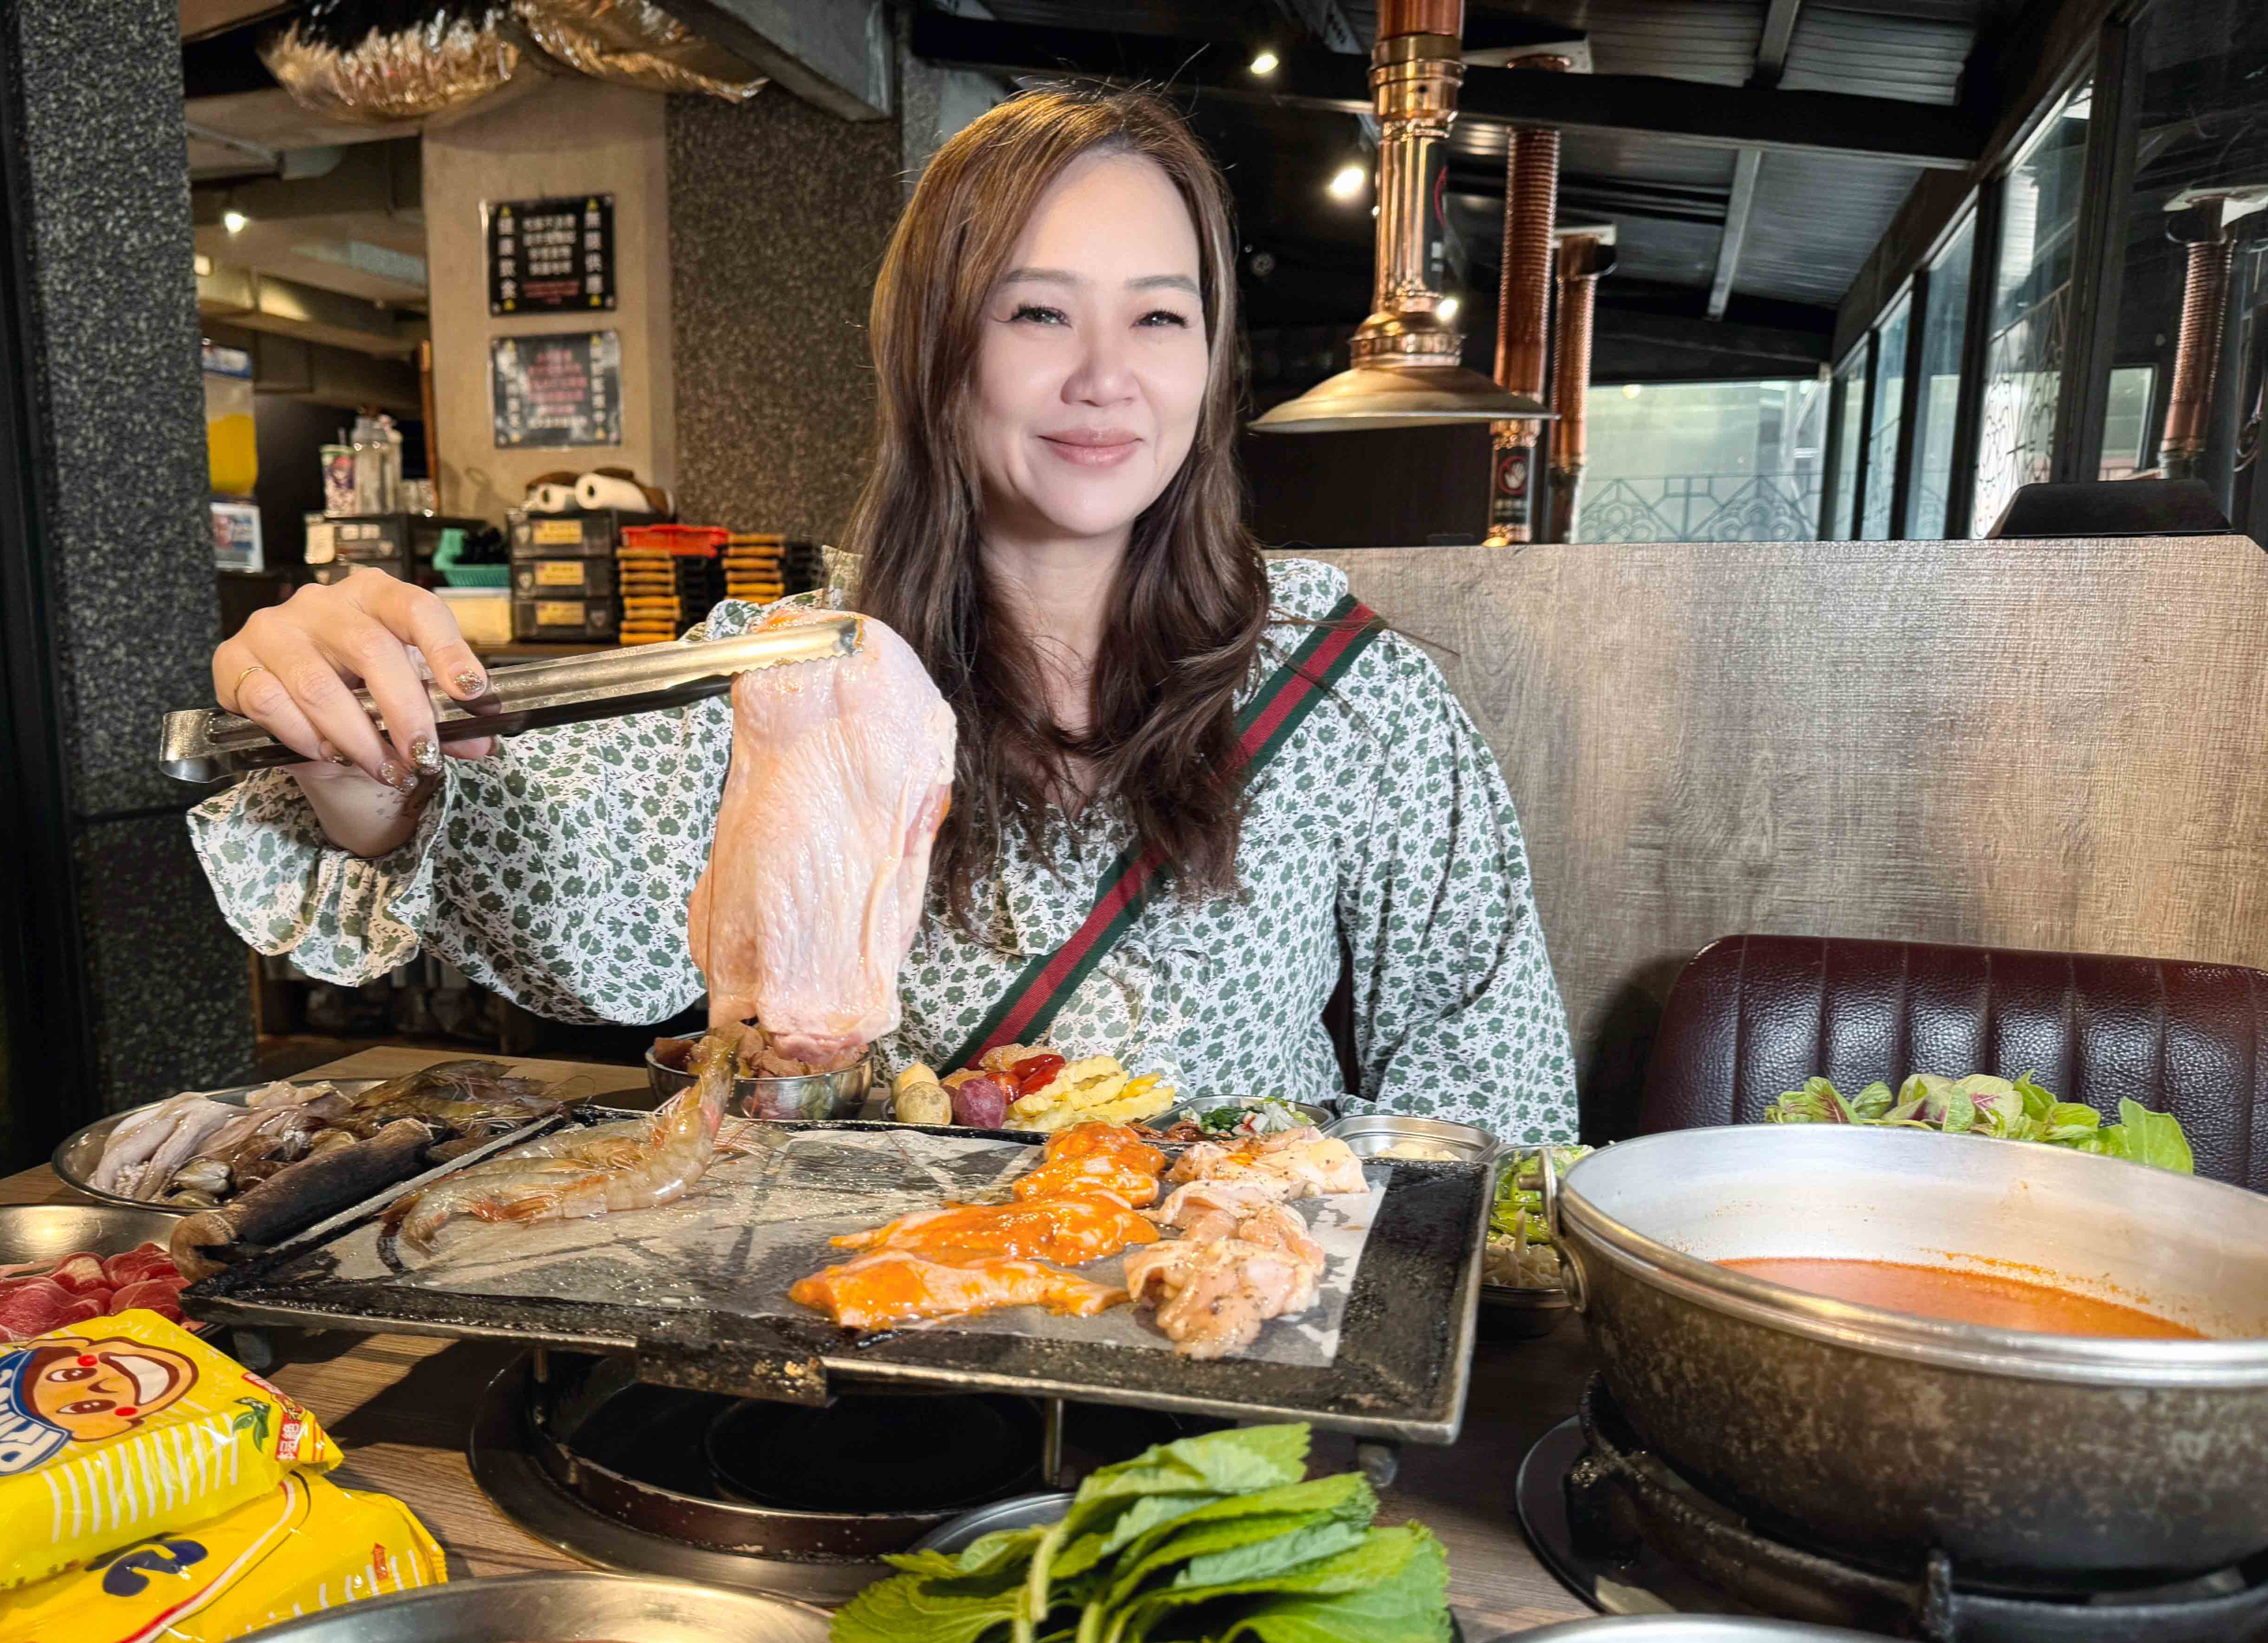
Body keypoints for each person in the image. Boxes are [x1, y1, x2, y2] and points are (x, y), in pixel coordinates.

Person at [191, 87, 1578, 1141]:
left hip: (1227, 1385)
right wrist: (358, 761)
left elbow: (1493, 1088)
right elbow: (555, 885)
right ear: (934, 351)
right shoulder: (802, 685)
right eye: (1038, 313)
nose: (1107, 376)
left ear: (1211, 365)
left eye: (1160, 319)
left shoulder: (1346, 692)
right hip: (878, 1375)